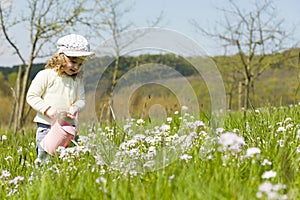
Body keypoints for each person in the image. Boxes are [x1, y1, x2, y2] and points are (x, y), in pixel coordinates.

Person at [26, 34, 94, 161]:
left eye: (80, 64)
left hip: (69, 127)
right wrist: (48, 110)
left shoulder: (77, 80)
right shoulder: (46, 75)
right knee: (45, 158)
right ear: (61, 57)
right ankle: (42, 179)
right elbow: (32, 96)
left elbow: (81, 100)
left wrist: (75, 107)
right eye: (73, 62)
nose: (76, 67)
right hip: (47, 125)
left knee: (69, 159)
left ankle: (65, 180)